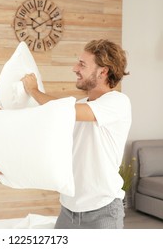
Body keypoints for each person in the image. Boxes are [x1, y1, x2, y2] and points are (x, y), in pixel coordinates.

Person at [21, 39, 131, 229]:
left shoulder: (118, 102)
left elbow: (62, 111)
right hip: (68, 210)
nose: (75, 68)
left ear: (103, 72)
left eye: (82, 64)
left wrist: (33, 90)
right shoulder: (80, 105)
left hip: (103, 212)